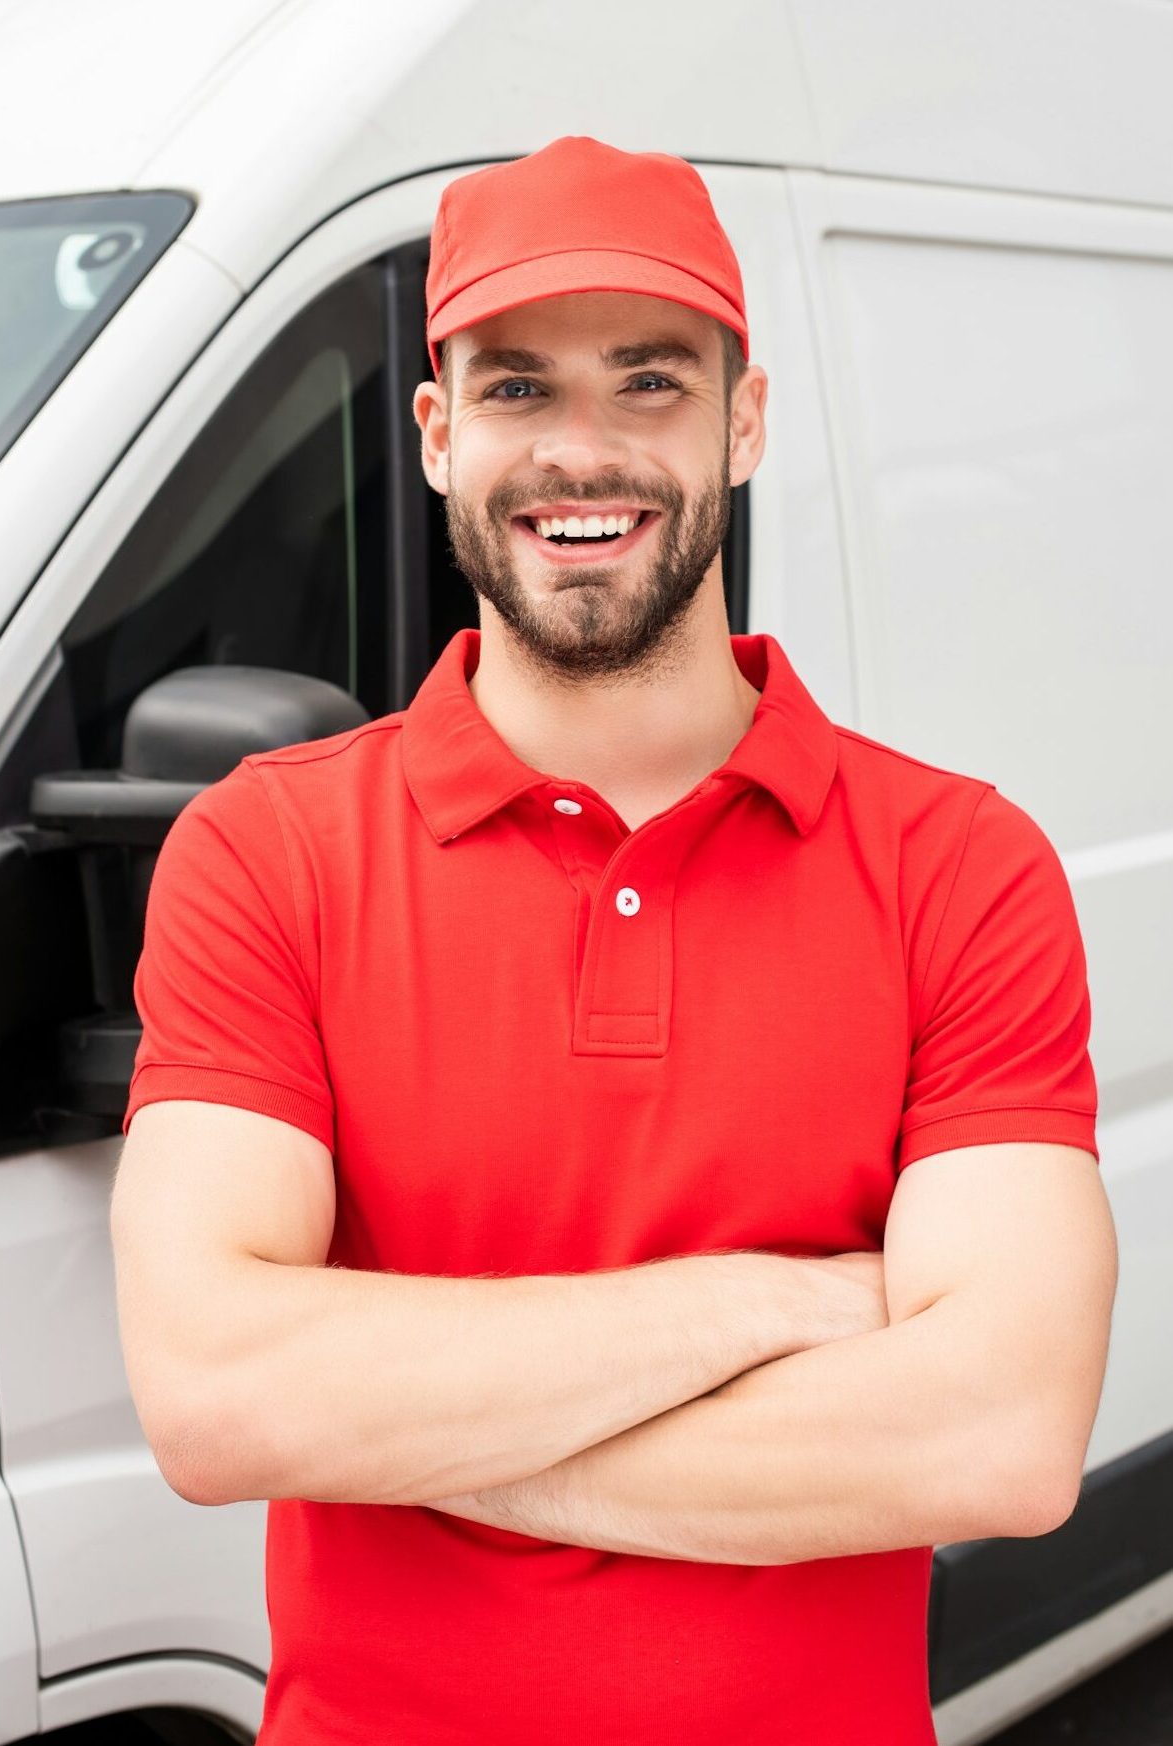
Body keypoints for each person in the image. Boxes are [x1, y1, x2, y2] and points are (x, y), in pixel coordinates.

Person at [113, 136, 1118, 1745]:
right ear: (438, 437)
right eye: (517, 389)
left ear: (745, 419)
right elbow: (222, 1400)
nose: (581, 453)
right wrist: (767, 1306)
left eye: (648, 381)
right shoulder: (266, 852)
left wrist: (399, 1430)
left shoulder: (957, 865)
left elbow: (995, 1440)